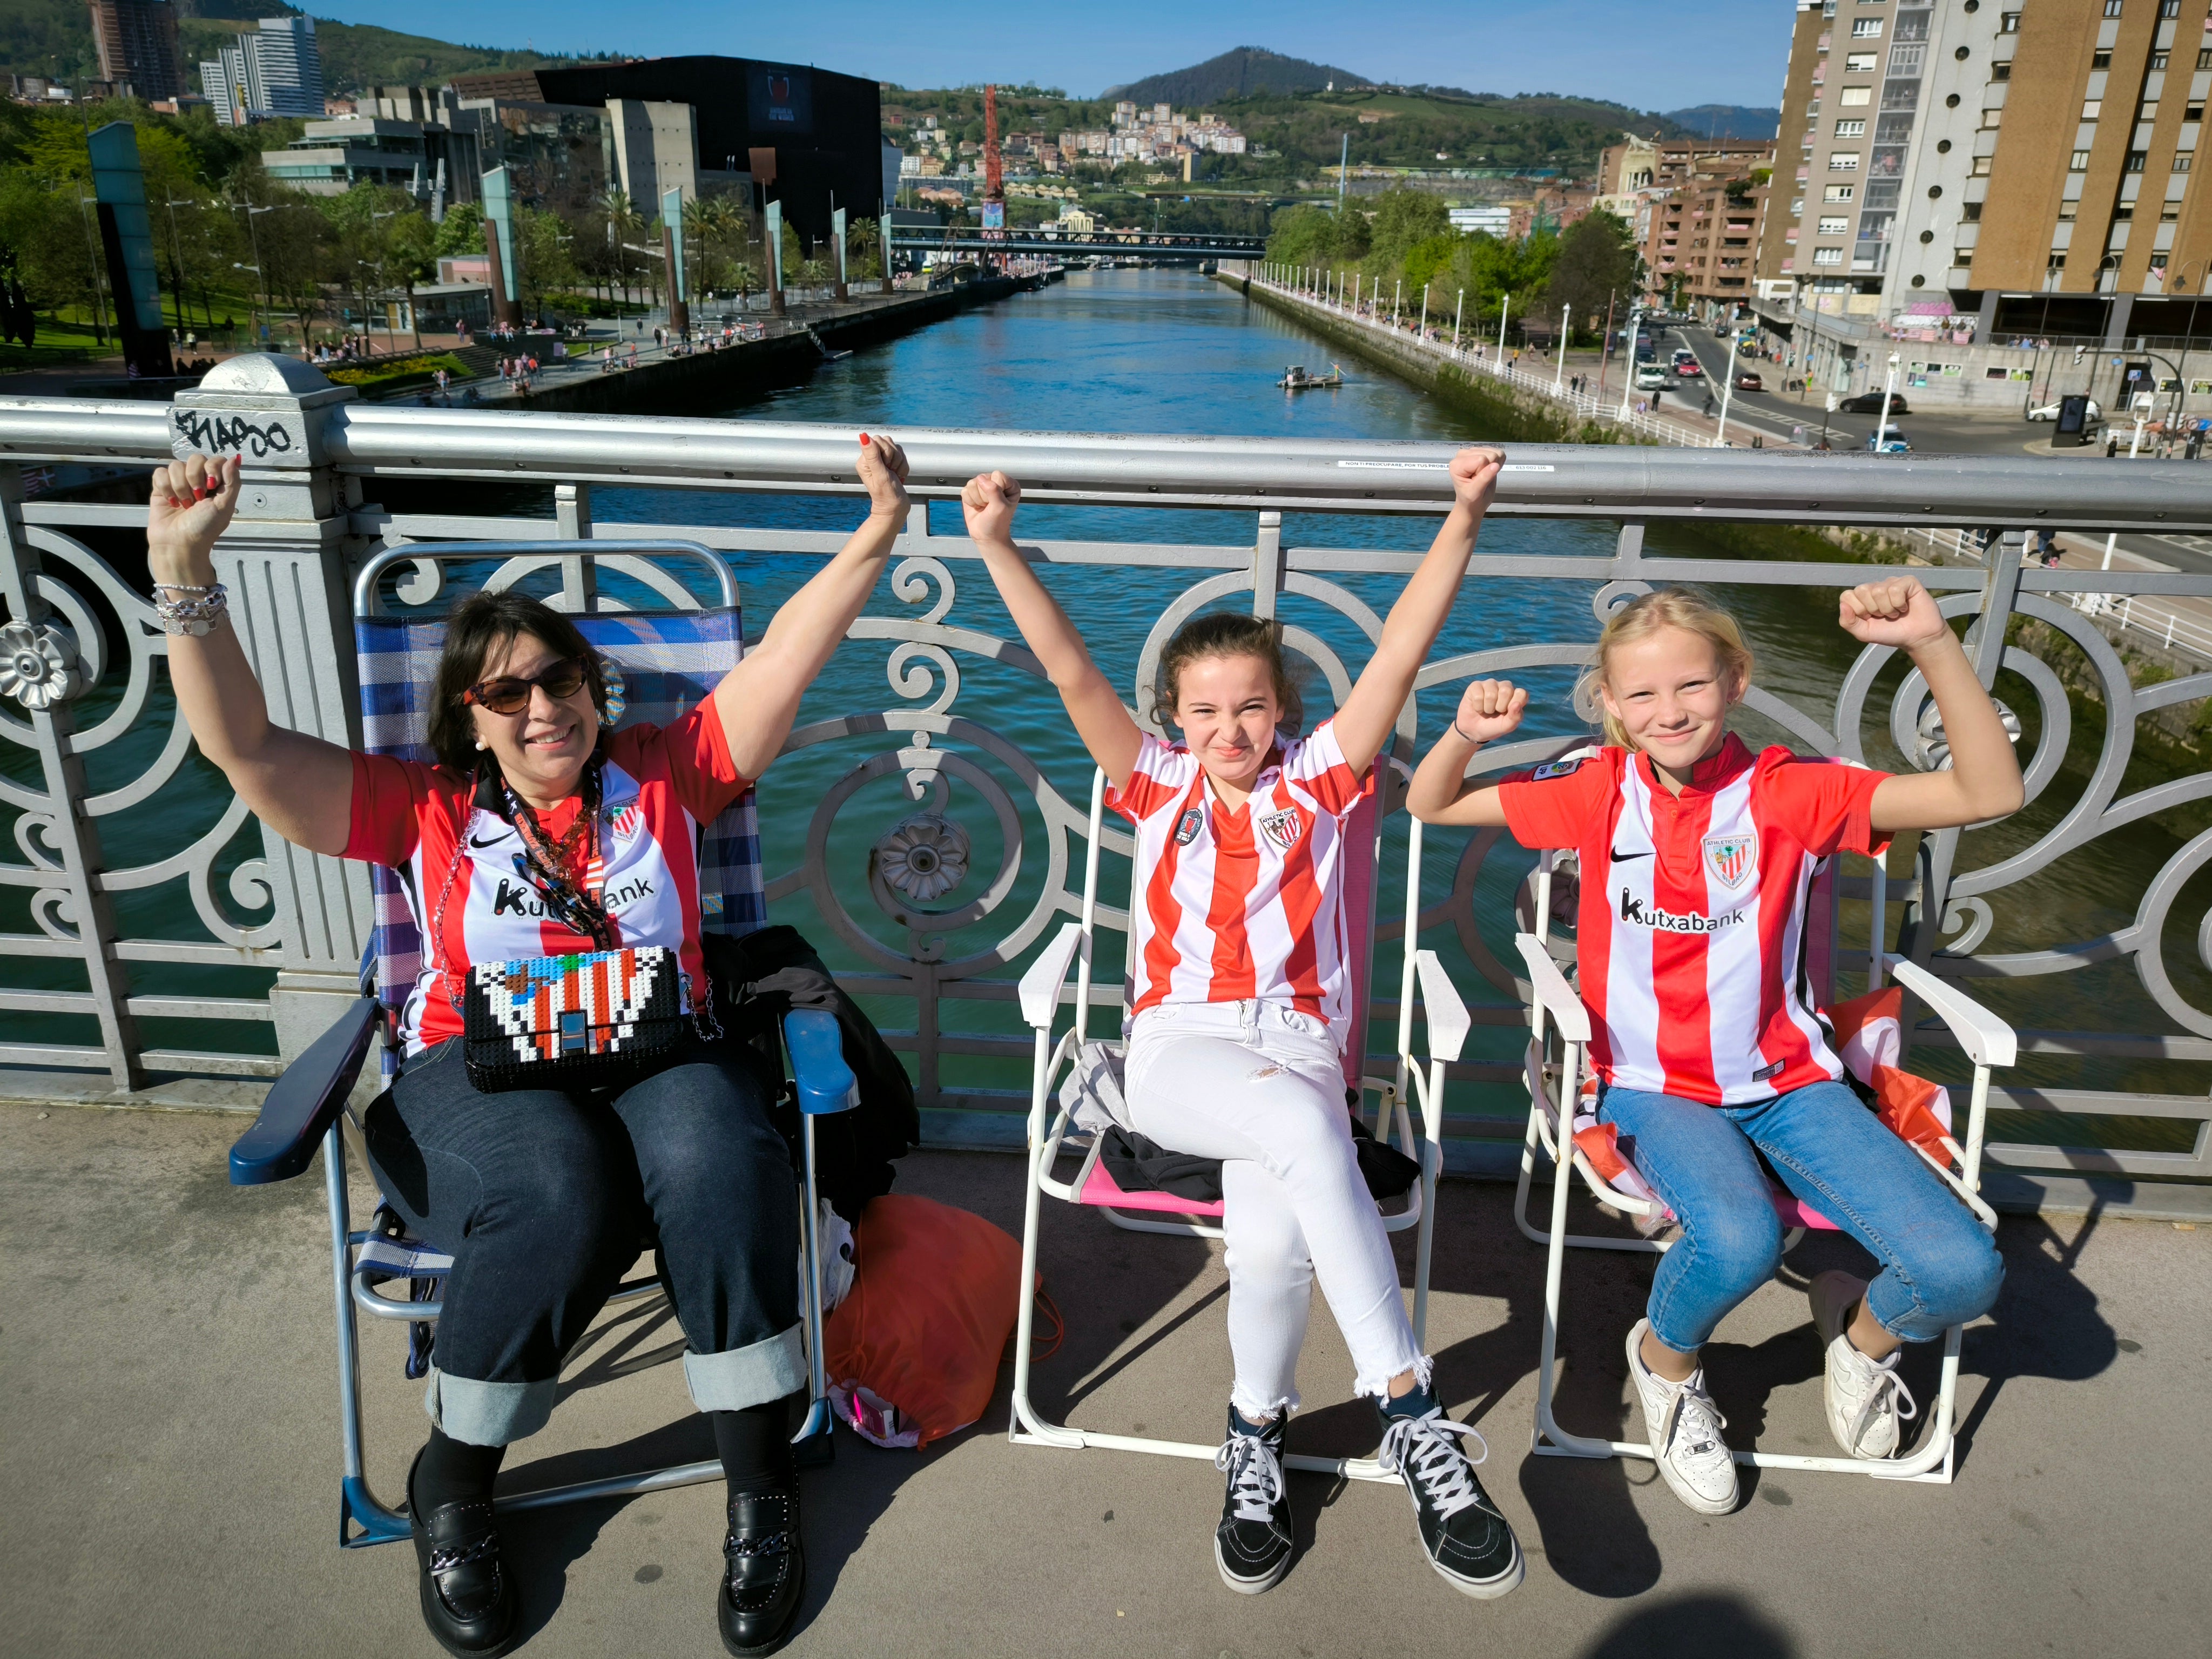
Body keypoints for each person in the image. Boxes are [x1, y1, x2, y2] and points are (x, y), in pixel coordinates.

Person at [146, 433, 915, 1658]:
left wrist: (874, 533)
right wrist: (183, 571)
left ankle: (758, 1479)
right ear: (471, 712)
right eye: (508, 690)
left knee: (719, 1157)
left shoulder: (670, 776)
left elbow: (783, 657)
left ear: (593, 691)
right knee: (558, 1185)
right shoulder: (425, 808)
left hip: (659, 1044)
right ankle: (455, 1474)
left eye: (560, 679)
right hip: (476, 1069)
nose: (543, 705)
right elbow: (246, 750)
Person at [960, 450, 1526, 1601]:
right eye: (1206, 710)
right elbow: (1070, 676)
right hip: (1178, 1047)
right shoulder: (1152, 783)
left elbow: (1399, 652)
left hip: (1298, 1044)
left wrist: (1461, 518)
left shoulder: (1319, 779)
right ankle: (1412, 1413)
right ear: (1174, 714)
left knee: (1271, 1241)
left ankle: (1253, 1434)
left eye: (1251, 707)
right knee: (1308, 1143)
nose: (1229, 730)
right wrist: (995, 548)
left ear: (1284, 712)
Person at [1405, 579, 2019, 1516]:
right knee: (1738, 1240)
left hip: (1789, 1083)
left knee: (1963, 1268)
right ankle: (1665, 1364)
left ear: (1735, 681)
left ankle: (1861, 1343)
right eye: (1641, 696)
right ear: (1609, 707)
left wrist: (1932, 644)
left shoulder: (1791, 791)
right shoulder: (1595, 790)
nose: (1668, 712)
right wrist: (1466, 738)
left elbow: (1989, 790)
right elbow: (1433, 805)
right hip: (1651, 1089)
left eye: (1691, 687)